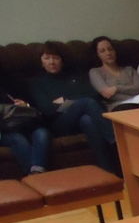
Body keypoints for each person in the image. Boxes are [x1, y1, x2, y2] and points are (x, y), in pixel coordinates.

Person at [28, 42, 117, 174]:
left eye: (56, 58)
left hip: (80, 120)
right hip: (57, 124)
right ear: (41, 62)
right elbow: (47, 109)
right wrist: (75, 100)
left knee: (87, 121)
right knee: (86, 103)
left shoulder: (75, 76)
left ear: (62, 60)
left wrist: (64, 101)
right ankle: (115, 141)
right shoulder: (37, 83)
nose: (52, 62)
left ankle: (110, 172)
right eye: (47, 58)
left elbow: (93, 95)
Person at [0, 80, 50, 174]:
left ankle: (37, 170)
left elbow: (37, 110)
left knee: (42, 133)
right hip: (4, 132)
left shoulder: (10, 82)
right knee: (18, 139)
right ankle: (33, 175)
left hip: (22, 125)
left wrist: (26, 105)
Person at [88, 36, 139, 111]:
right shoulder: (95, 72)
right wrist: (132, 94)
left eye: (110, 49)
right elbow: (107, 94)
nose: (108, 53)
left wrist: (116, 88)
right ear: (98, 55)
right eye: (102, 51)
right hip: (118, 108)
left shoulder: (129, 70)